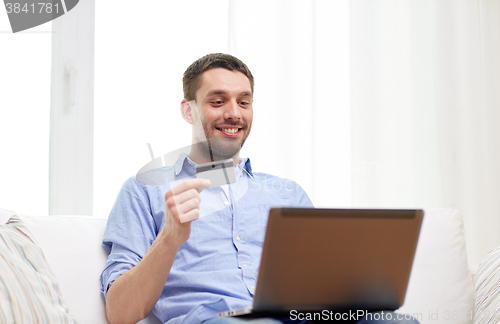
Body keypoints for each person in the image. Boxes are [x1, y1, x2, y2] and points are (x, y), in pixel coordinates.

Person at [100, 53, 419, 324]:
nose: (234, 114)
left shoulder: (287, 194)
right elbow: (120, 312)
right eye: (217, 101)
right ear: (189, 110)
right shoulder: (146, 190)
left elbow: (320, 284)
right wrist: (170, 238)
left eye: (244, 101)